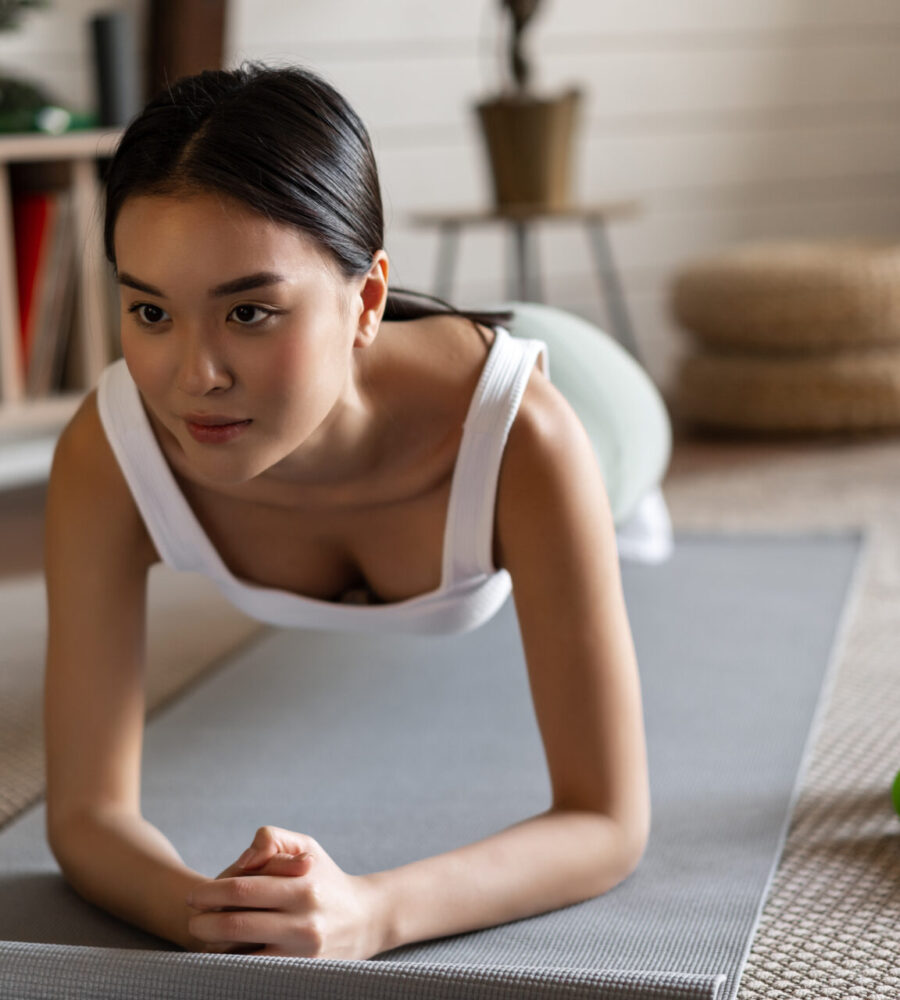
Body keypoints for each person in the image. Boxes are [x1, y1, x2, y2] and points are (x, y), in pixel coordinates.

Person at [43, 61, 653, 961]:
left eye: (248, 312)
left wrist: (373, 911)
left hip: (597, 395)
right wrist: (205, 909)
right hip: (401, 361)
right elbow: (88, 816)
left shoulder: (531, 440)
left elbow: (608, 820)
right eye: (150, 310)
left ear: (366, 299)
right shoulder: (113, 444)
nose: (192, 377)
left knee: (620, 464)